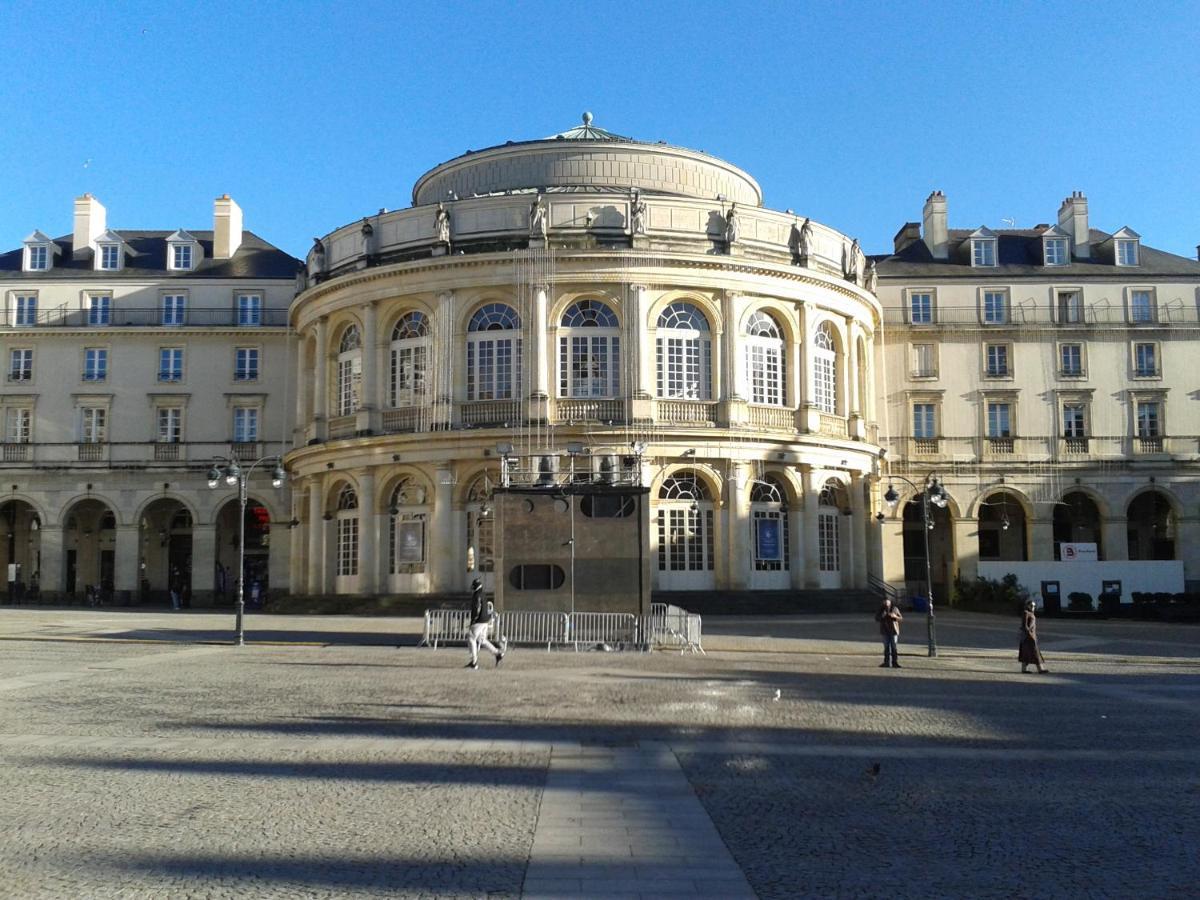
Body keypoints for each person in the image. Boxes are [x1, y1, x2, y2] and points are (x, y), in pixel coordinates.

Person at [466, 578, 504, 669]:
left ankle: (474, 662)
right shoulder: (483, 594)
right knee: (482, 640)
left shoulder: (477, 595)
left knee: (471, 638)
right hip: (485, 621)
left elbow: (477, 608)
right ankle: (497, 653)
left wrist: (474, 619)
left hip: (478, 621)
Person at [1020, 599, 1049, 674]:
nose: (1033, 607)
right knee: (1035, 652)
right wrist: (1029, 635)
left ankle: (1024, 669)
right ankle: (1040, 669)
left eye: (1034, 606)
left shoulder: (1031, 613)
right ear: (1027, 606)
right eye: (1031, 605)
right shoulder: (1026, 613)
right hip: (1028, 637)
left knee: (1026, 652)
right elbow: (1024, 625)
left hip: (1030, 636)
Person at [875, 597, 903, 668]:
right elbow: (877, 618)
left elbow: (901, 618)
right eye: (885, 601)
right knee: (886, 647)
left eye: (887, 601)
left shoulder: (895, 609)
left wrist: (895, 616)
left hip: (893, 631)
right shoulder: (881, 609)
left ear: (890, 602)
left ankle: (895, 662)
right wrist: (882, 616)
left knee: (894, 647)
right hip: (885, 631)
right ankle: (886, 662)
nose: (886, 603)